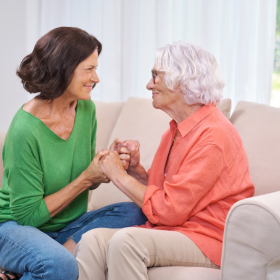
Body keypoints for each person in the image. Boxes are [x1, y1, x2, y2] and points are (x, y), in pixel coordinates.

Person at [74, 41, 255, 280]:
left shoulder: (214, 136)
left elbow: (168, 211)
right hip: (178, 229)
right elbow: (168, 194)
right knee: (91, 240)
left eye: (155, 76)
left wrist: (117, 175)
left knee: (126, 242)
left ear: (182, 81)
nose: (149, 84)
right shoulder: (175, 130)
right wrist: (137, 172)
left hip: (210, 238)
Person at [0, 27, 147, 280]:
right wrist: (86, 179)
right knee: (62, 267)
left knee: (138, 211)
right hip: (14, 228)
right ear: (63, 69)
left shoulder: (86, 109)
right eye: (89, 70)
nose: (96, 78)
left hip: (66, 228)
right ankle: (49, 260)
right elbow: (29, 217)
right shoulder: (25, 129)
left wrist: (104, 165)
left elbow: (82, 182)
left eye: (95, 69)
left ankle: (35, 264)